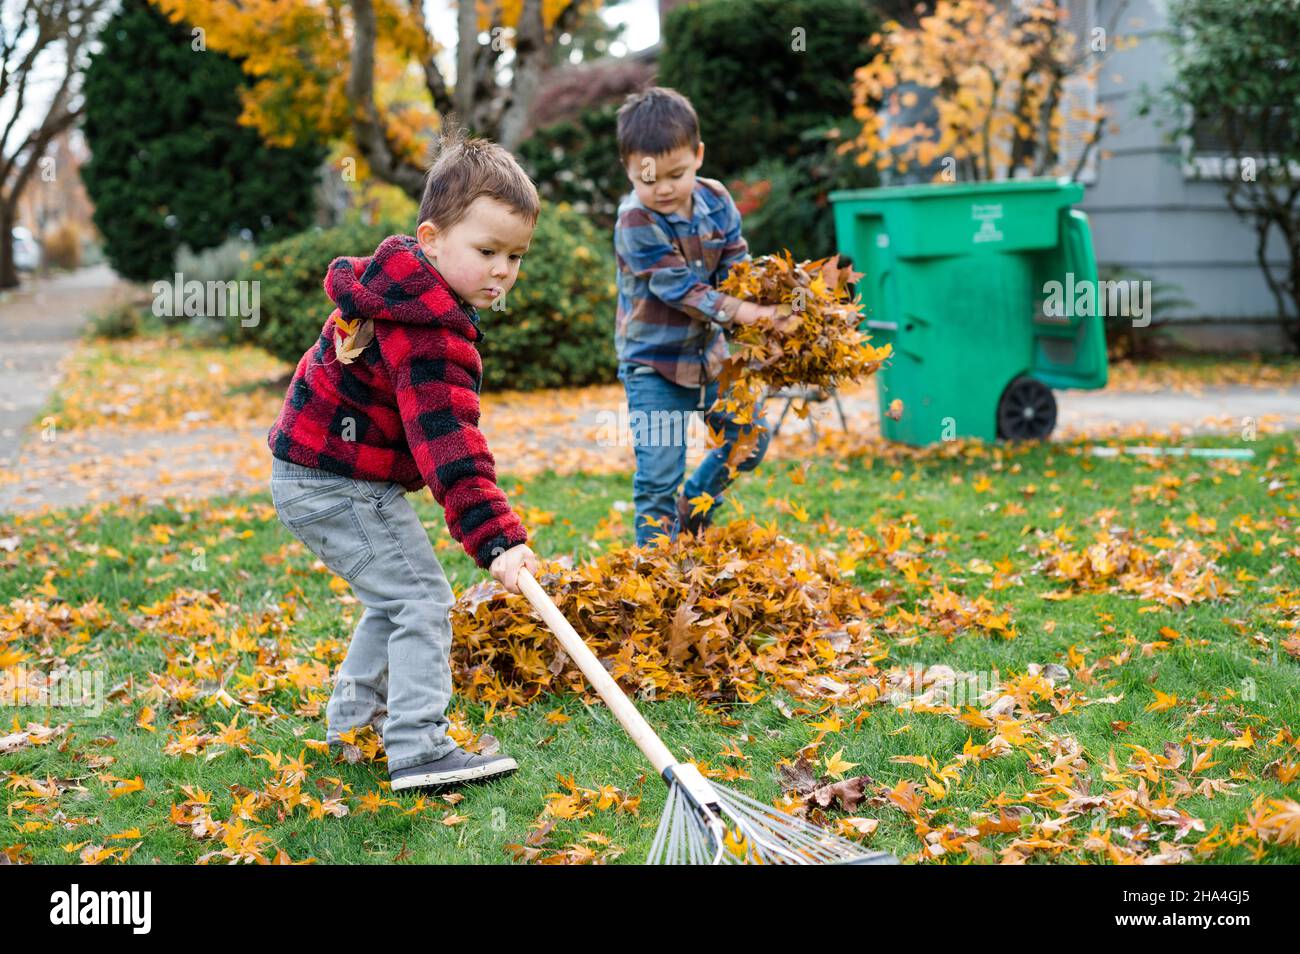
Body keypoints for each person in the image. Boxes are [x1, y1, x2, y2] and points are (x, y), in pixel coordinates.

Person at [266, 130, 540, 792]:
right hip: (337, 483)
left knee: (393, 600)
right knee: (421, 598)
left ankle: (354, 725)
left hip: (312, 476)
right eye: (488, 251)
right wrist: (498, 540)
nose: (503, 270)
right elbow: (451, 450)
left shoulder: (398, 288)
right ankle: (419, 747)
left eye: (516, 255)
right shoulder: (426, 333)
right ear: (433, 237)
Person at [612, 87, 795, 546]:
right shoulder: (635, 221)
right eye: (649, 180)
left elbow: (737, 267)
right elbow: (682, 290)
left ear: (698, 155)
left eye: (677, 173)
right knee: (657, 476)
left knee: (748, 443)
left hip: (710, 358)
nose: (664, 189)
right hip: (654, 365)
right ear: (629, 170)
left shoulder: (716, 200)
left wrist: (768, 311)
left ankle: (693, 507)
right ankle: (651, 581)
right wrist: (751, 313)